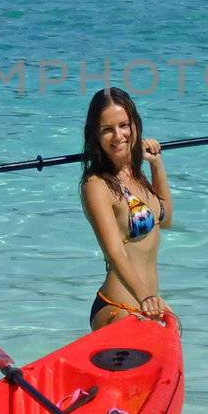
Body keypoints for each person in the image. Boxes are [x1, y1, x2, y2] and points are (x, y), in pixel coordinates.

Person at [80, 87, 175, 330]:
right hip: (117, 309)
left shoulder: (135, 174)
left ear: (135, 126)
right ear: (96, 135)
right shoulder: (96, 185)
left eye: (123, 125)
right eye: (107, 129)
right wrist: (148, 299)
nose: (118, 135)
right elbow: (115, 253)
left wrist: (156, 164)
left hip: (147, 307)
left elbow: (164, 219)